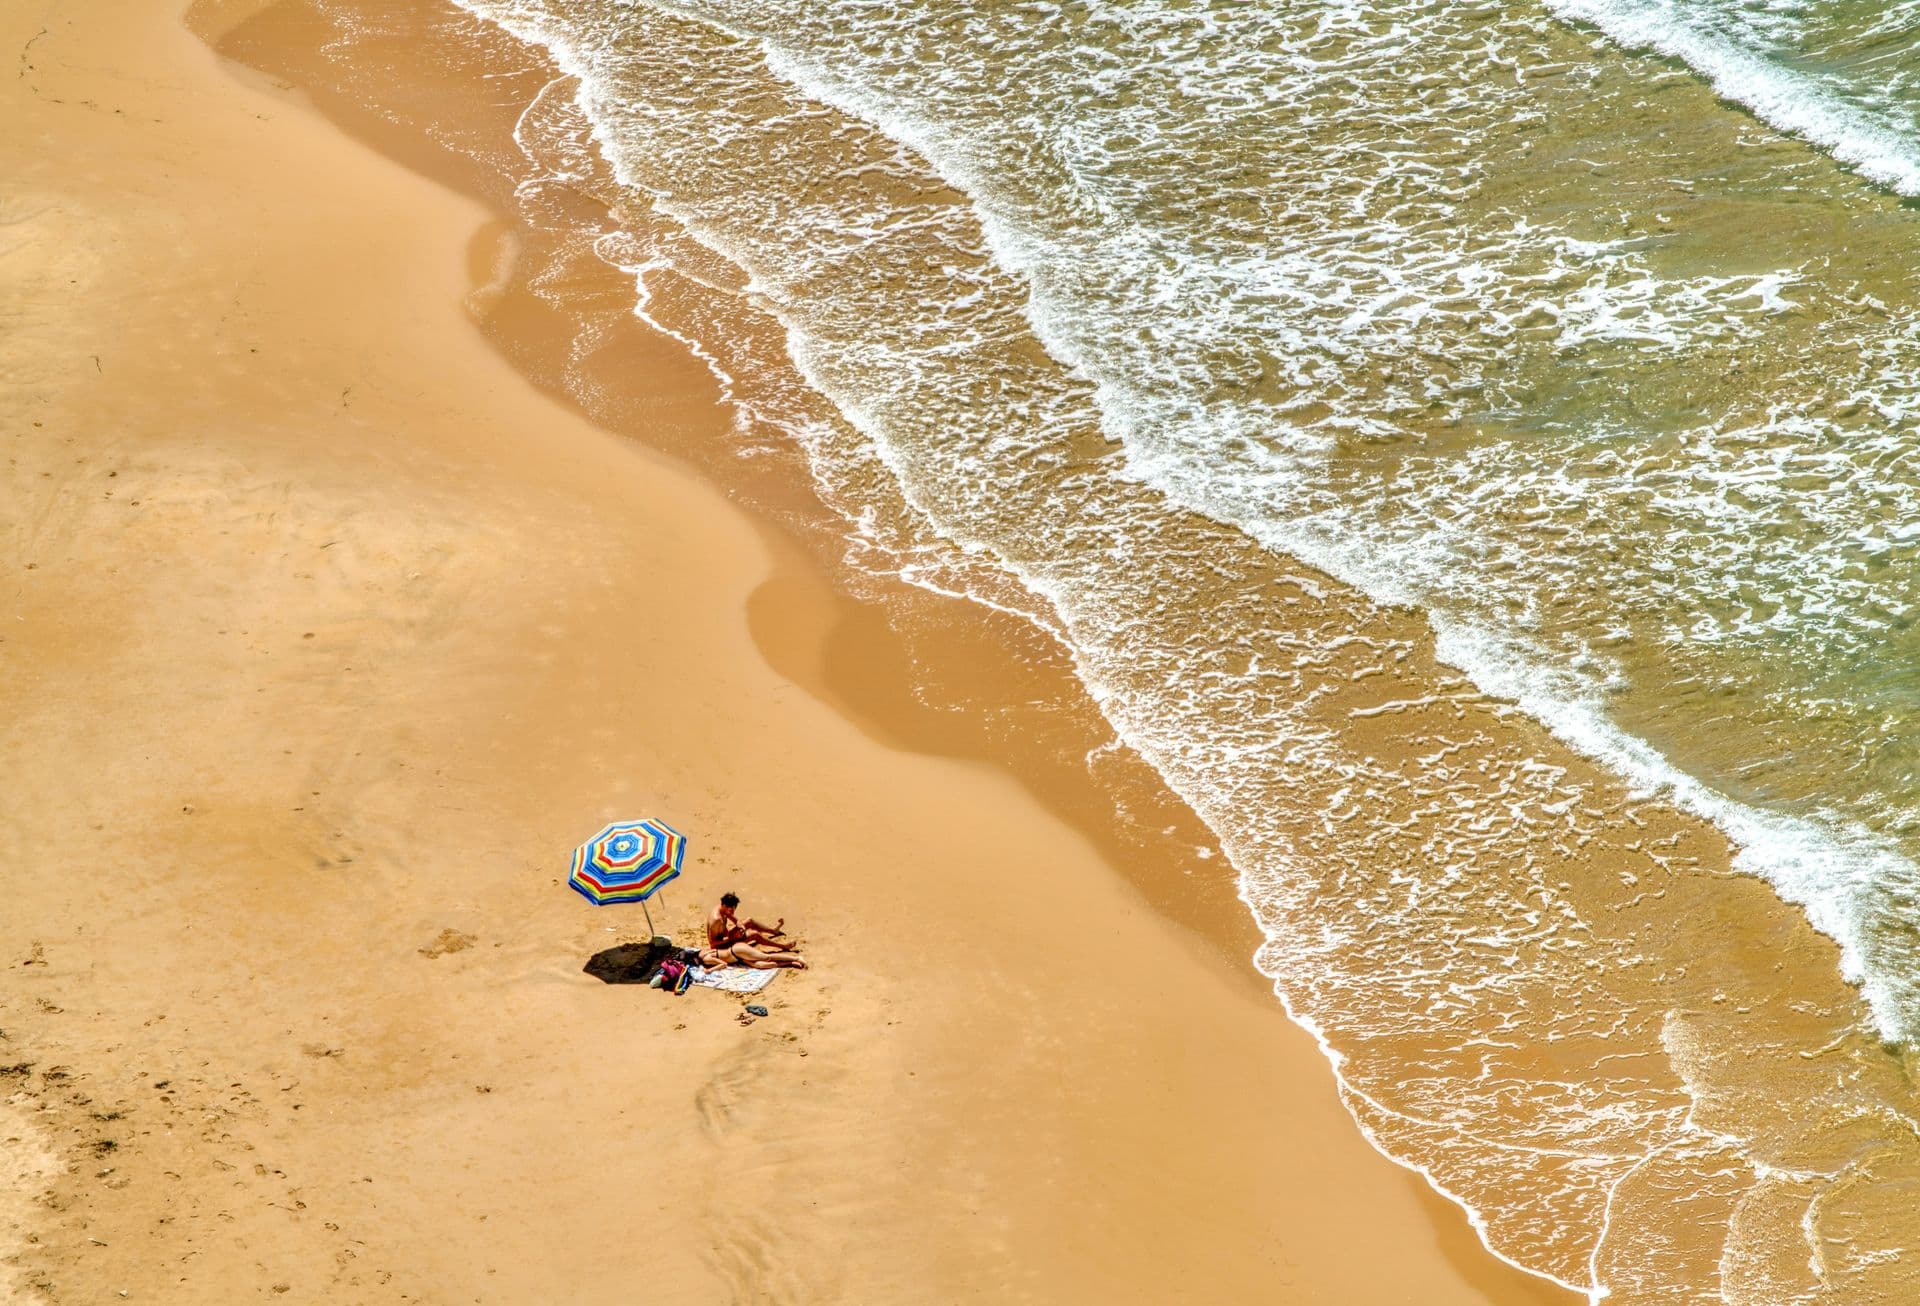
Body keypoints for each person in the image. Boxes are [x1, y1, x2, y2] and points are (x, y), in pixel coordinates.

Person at [707, 892, 788, 950]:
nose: (733, 913)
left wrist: (740, 926)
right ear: (724, 906)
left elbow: (733, 918)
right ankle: (783, 946)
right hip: (721, 947)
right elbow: (713, 943)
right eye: (731, 910)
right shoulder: (716, 920)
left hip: (727, 937)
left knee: (749, 921)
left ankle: (773, 931)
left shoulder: (722, 908)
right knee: (754, 934)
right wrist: (731, 938)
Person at [699, 941, 806, 970]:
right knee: (761, 965)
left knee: (766, 957)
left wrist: (710, 970)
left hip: (736, 952)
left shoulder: (705, 959)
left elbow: (723, 964)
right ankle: (790, 963)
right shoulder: (701, 953)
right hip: (738, 958)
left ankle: (796, 958)